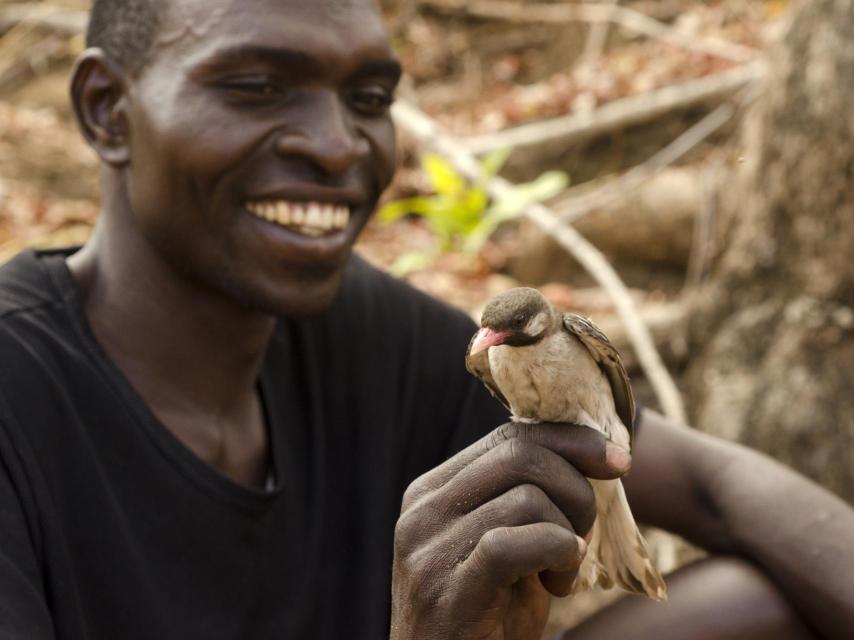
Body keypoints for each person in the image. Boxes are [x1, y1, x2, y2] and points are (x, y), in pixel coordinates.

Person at [0, 0, 851, 638]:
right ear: (108, 109)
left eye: (369, 96)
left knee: (759, 605)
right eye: (258, 86)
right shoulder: (21, 395)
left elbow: (715, 486)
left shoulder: (357, 328)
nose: (339, 145)